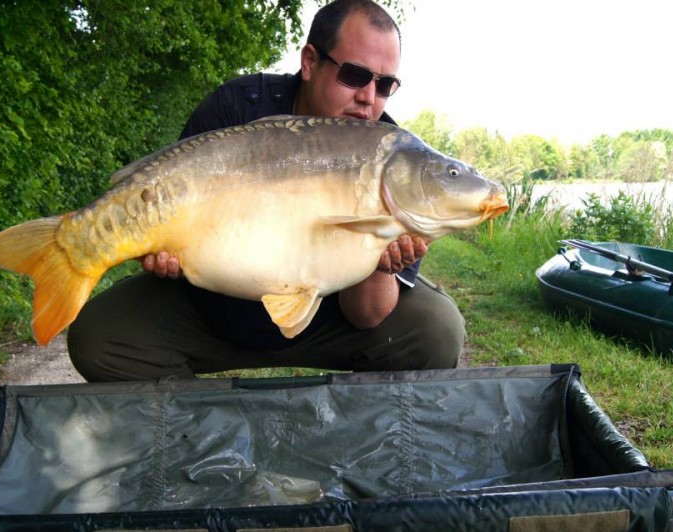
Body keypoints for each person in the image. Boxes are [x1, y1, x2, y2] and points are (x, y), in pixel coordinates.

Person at [67, 0, 466, 381]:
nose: (367, 97)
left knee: (437, 331)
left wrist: (381, 264)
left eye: (385, 85)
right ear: (310, 62)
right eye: (355, 76)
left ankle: (357, 415)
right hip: (211, 314)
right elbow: (171, 214)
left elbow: (367, 316)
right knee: (97, 337)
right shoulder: (236, 108)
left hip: (328, 324)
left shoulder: (397, 159)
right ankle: (197, 415)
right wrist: (157, 249)